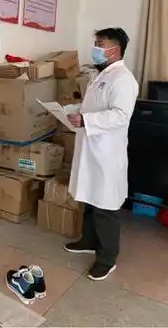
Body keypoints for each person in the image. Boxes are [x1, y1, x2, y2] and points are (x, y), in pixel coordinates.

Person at [64, 28, 139, 281]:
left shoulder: (123, 79)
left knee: (105, 205)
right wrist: (75, 111)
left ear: (115, 50)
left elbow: (120, 115)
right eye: (95, 43)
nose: (95, 48)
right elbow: (94, 107)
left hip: (107, 152)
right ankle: (88, 240)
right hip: (91, 147)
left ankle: (107, 258)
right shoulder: (100, 75)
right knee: (89, 196)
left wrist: (86, 120)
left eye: (100, 44)